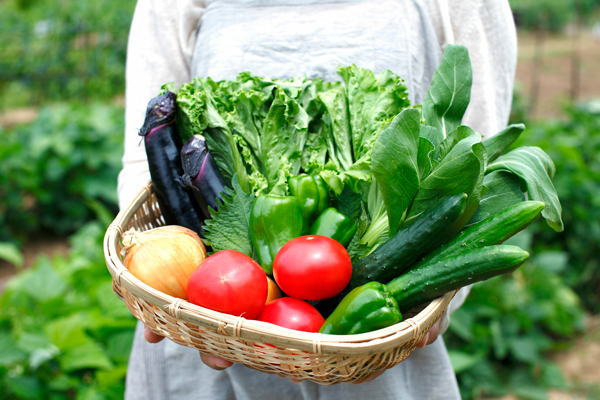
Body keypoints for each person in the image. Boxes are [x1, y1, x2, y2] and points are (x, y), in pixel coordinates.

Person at [117, 0, 517, 399]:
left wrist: (431, 304)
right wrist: (154, 287)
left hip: (377, 355)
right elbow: (146, 158)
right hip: (206, 328)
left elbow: (470, 162)